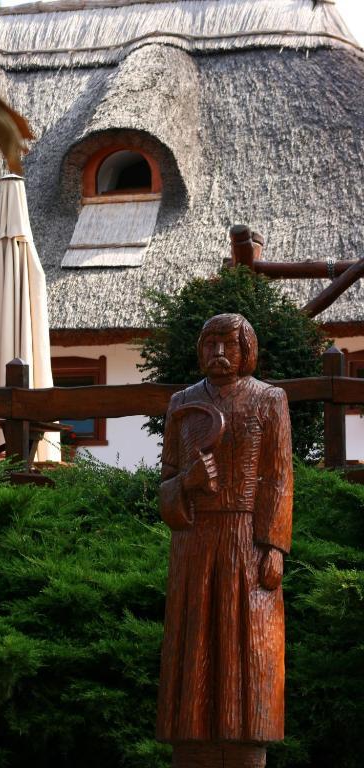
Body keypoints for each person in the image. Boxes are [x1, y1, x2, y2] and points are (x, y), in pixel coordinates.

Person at [156, 313, 293, 768]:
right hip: (195, 541)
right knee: (193, 644)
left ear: (246, 350)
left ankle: (245, 746)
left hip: (246, 538)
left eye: (228, 344)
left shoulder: (269, 401)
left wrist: (273, 546)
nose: (218, 353)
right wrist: (187, 484)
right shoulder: (182, 404)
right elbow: (167, 486)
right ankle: (192, 746)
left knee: (249, 644)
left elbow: (278, 478)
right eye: (210, 344)